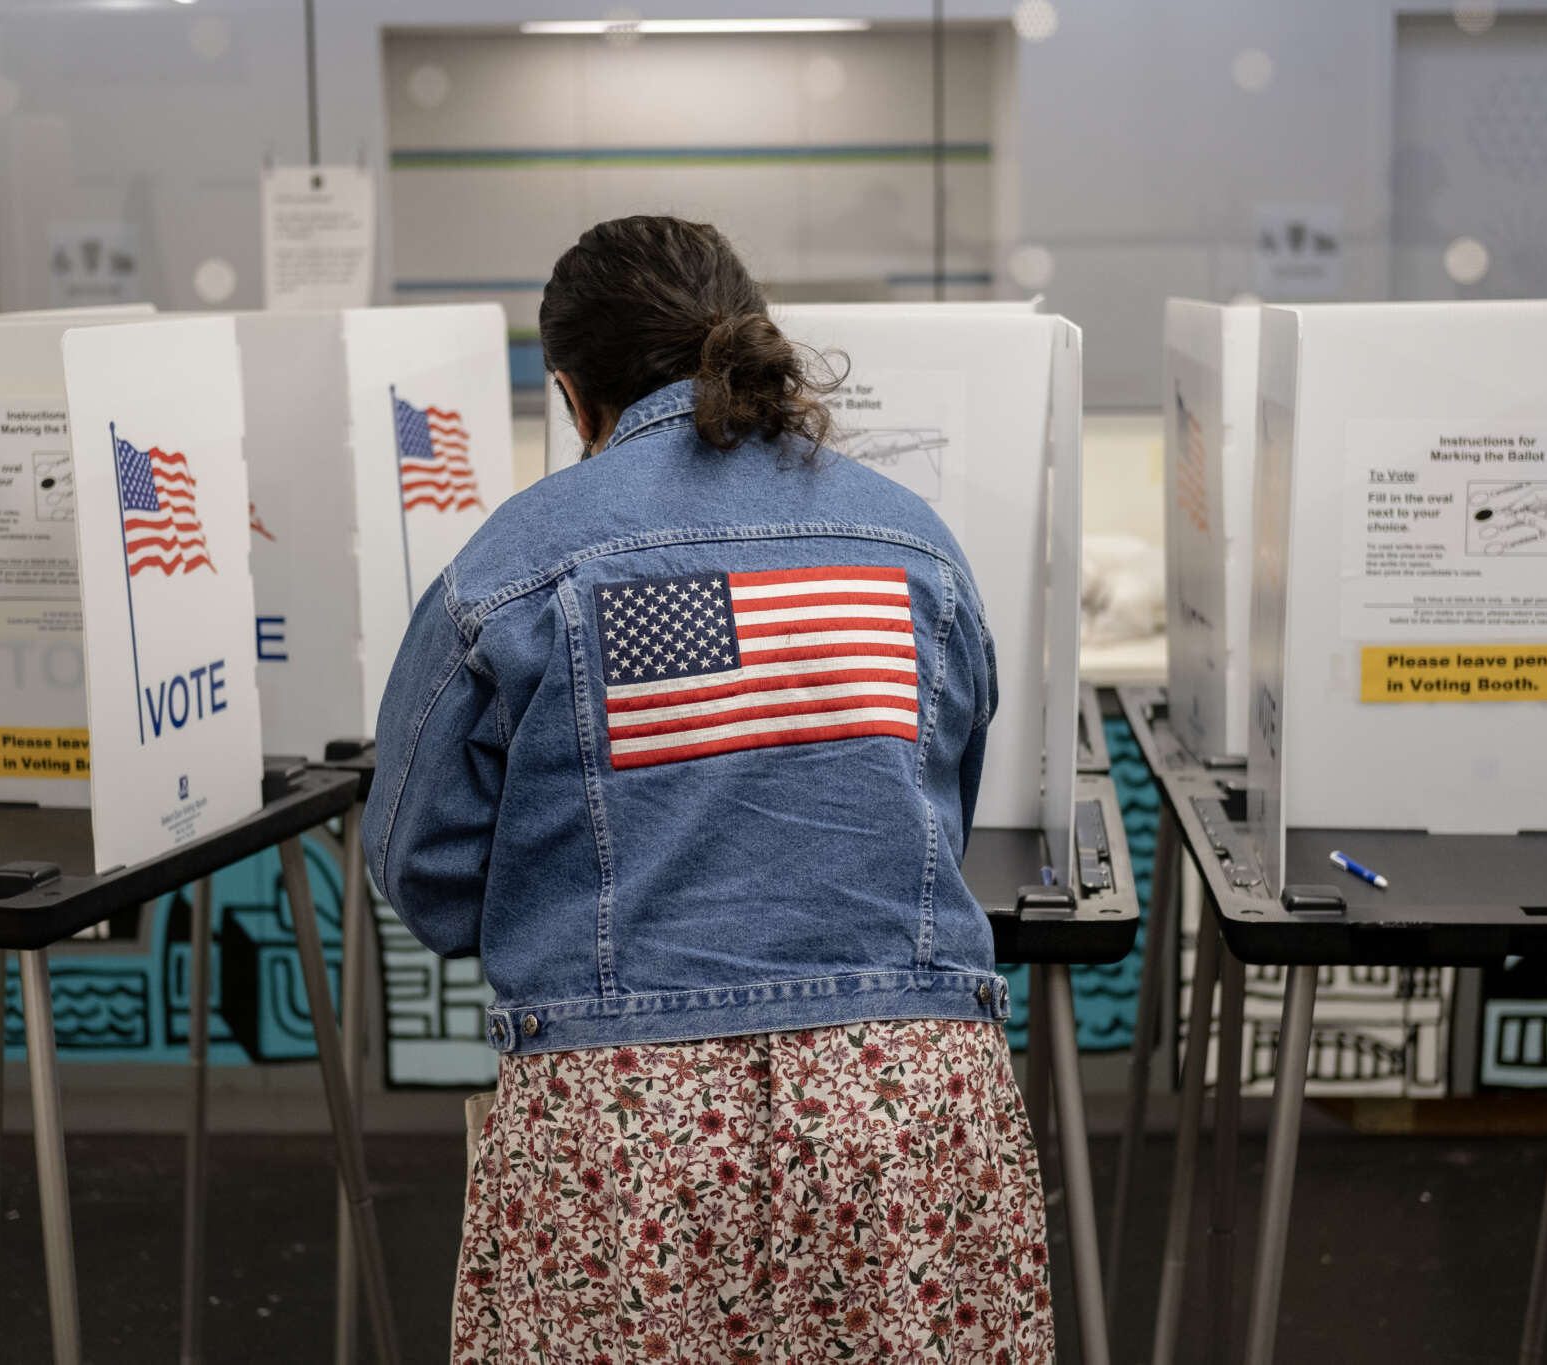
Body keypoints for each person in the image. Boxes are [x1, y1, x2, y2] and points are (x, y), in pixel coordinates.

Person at [366, 215, 1051, 1363]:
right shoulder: (912, 544)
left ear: (573, 396)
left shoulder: (513, 563)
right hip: (903, 1109)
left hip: (623, 1129)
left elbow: (425, 872)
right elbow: (941, 798)